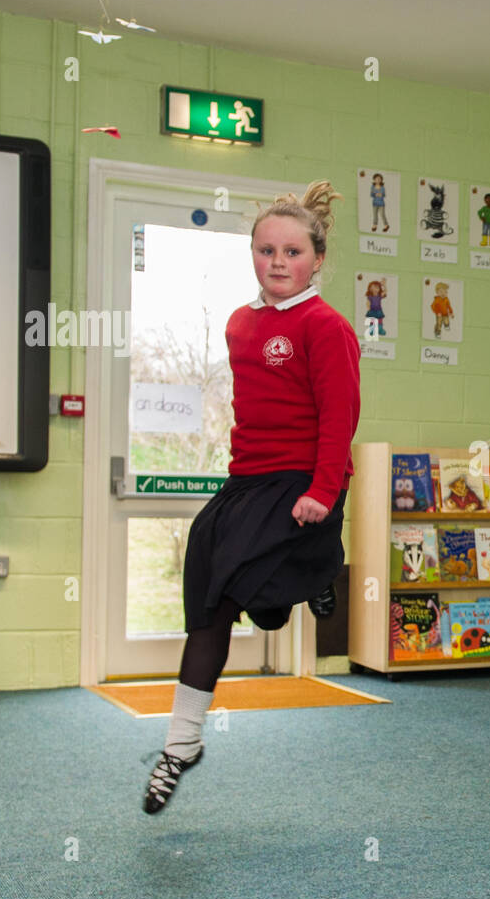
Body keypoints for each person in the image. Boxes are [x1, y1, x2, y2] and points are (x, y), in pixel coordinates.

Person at [143, 182, 362, 814]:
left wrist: (324, 492)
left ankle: (321, 560)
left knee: (251, 596)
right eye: (265, 250)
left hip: (303, 480)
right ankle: (180, 744)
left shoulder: (326, 326)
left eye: (292, 251)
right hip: (246, 482)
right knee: (216, 604)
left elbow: (338, 416)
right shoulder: (242, 323)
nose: (277, 261)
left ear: (317, 258)